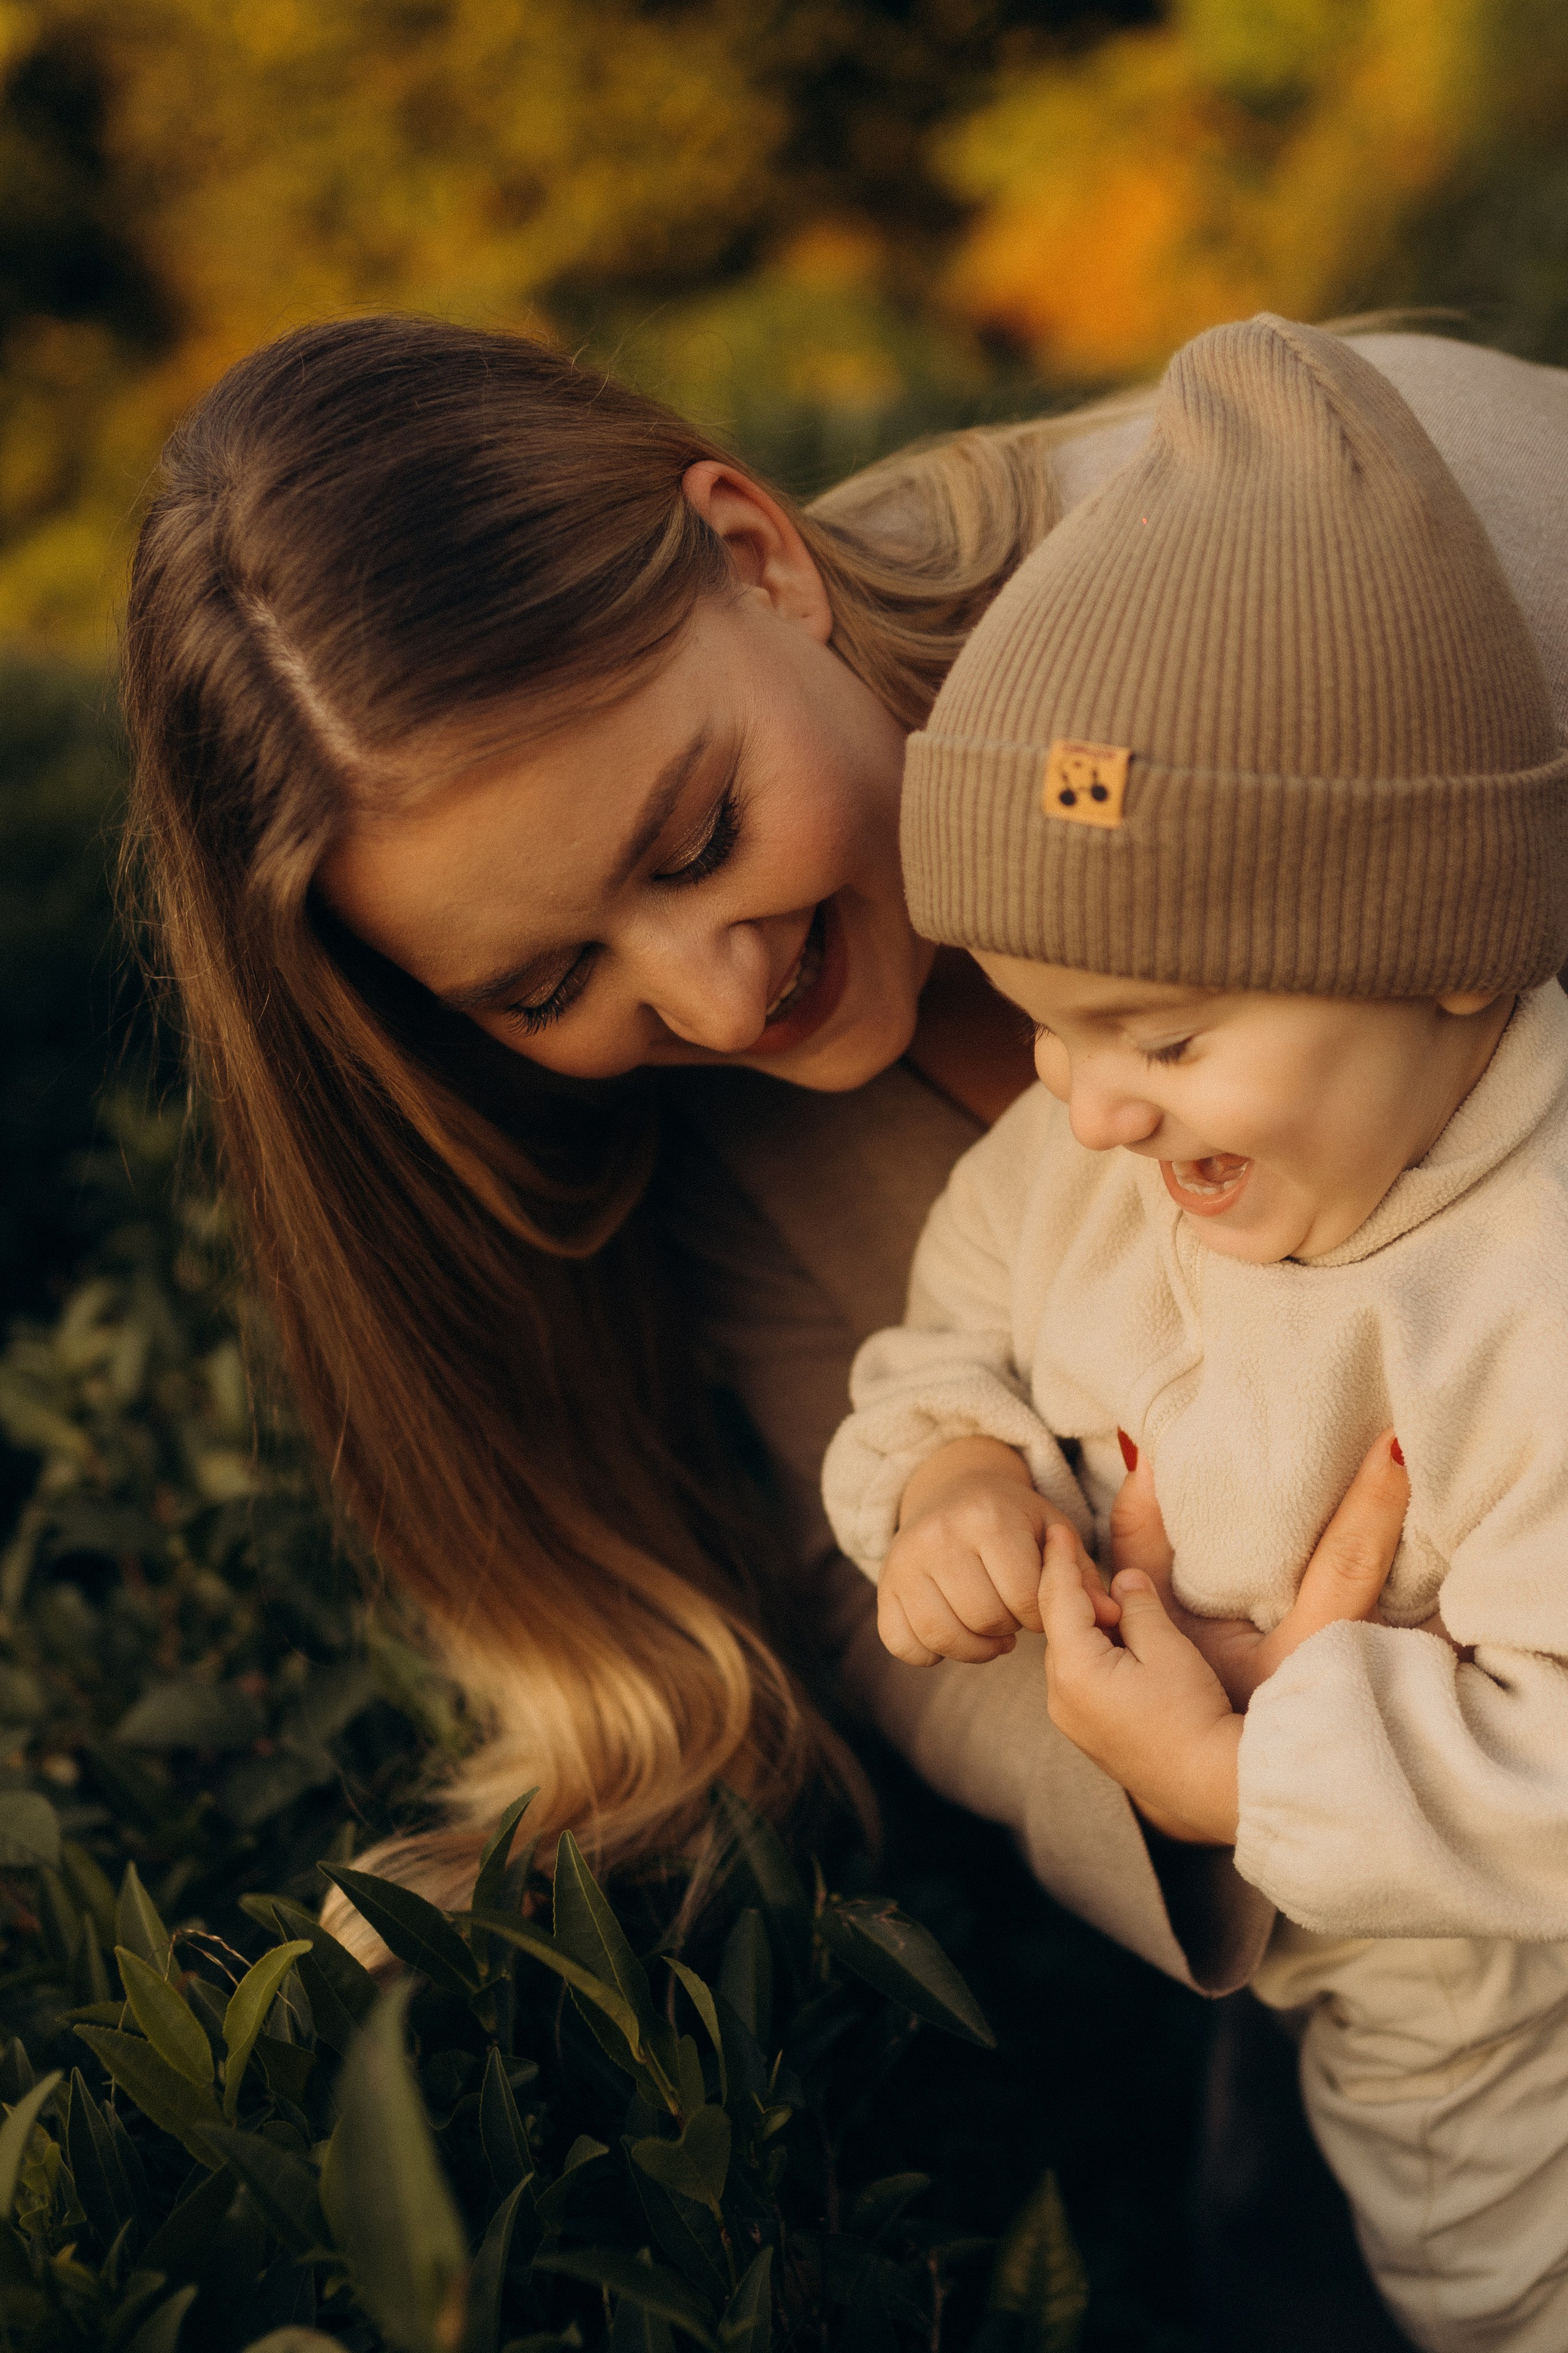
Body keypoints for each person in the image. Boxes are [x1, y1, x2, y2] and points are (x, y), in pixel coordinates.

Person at [117, 310, 1568, 2013]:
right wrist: (1209, 1731)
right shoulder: (699, 1161)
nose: (715, 997)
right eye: (547, 984)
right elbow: (869, 1552)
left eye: (697, 835)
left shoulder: (1381, 571)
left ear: (756, 556)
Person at [822, 314, 1568, 2351]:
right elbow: (949, 1327)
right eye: (1045, 1024)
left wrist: (1253, 1775)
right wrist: (951, 1469)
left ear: (1443, 957)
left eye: (1160, 1036)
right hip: (1369, 2058)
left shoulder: (1535, 1288)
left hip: (1525, 2065)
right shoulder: (1096, 1162)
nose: (1090, 1106)